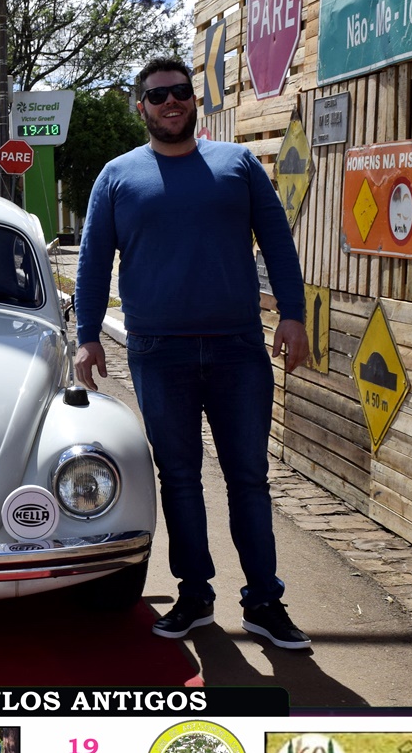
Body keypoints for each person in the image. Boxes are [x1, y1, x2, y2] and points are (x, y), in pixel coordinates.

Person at [74, 56, 313, 650]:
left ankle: (264, 601)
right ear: (141, 106)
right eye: (158, 95)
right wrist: (87, 335)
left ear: (194, 100)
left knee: (248, 477)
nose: (171, 102)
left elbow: (278, 242)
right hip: (158, 353)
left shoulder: (238, 164)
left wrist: (293, 314)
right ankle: (195, 594)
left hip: (239, 349)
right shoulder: (117, 176)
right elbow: (93, 261)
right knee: (179, 478)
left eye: (180, 91)